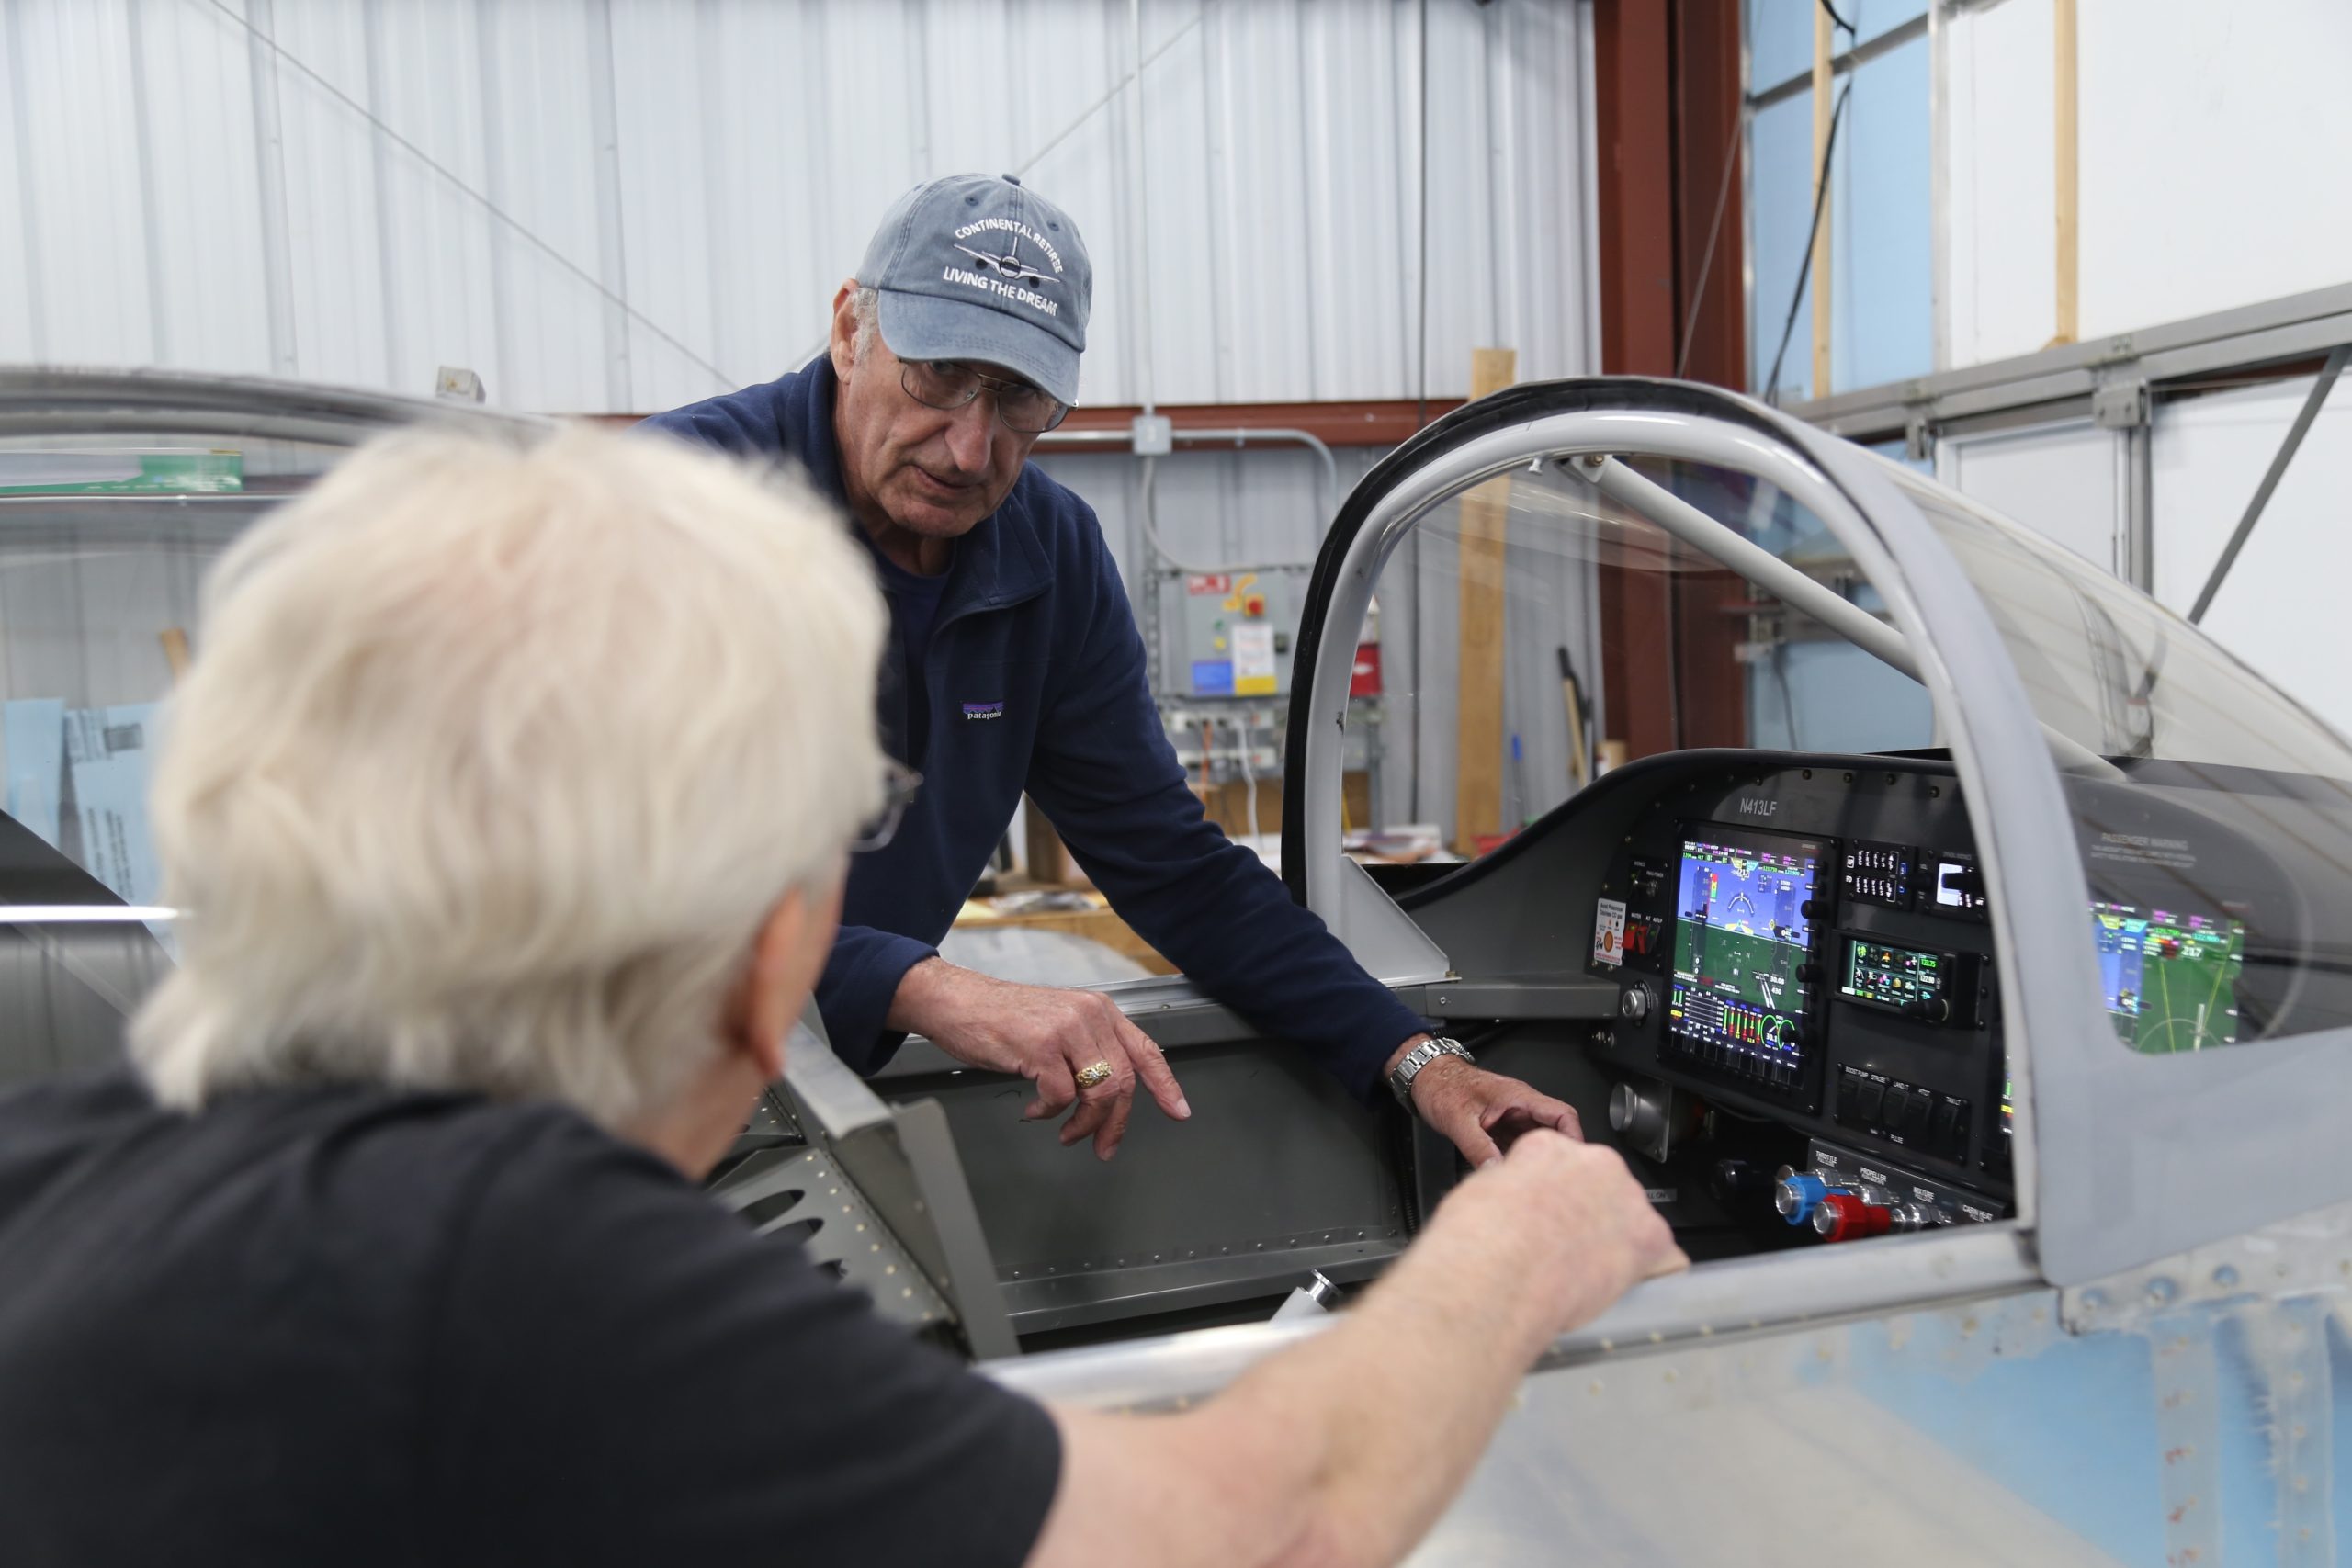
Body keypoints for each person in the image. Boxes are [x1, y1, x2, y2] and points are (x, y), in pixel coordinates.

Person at [0, 426, 1684, 1566]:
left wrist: (1411, 1056)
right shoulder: (528, 1284)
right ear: (770, 957)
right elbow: (1268, 1526)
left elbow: (1174, 863)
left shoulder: (76, 1160)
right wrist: (1523, 1245)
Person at [645, 173, 1577, 1166]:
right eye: (939, 375)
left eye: (1020, 399)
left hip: (805, 1100)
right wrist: (923, 987)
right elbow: (613, 896)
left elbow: (1171, 865)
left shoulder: (1048, 554)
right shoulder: (673, 512)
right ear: (848, 331)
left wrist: (1419, 1060)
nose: (970, 448)